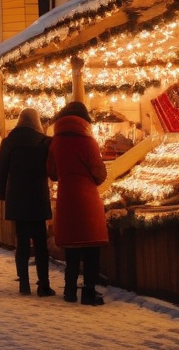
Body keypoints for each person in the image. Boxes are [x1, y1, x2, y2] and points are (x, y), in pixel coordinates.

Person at [48, 101, 108, 306]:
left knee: (71, 248)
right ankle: (88, 293)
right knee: (91, 249)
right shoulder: (89, 142)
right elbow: (99, 174)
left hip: (66, 199)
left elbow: (52, 173)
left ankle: (70, 290)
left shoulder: (55, 142)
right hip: (88, 200)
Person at [0, 108, 55, 297]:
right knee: (40, 243)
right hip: (38, 197)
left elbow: (0, 172)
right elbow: (52, 170)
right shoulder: (44, 142)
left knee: (21, 242)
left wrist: (4, 194)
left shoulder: (9, 142)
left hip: (18, 198)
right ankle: (44, 285)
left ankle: (24, 284)